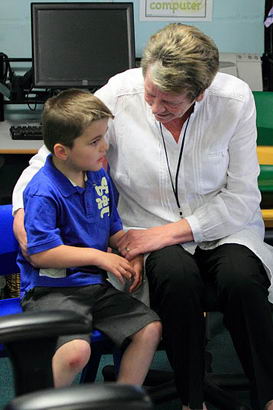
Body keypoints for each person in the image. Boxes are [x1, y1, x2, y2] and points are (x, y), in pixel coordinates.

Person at [12, 23, 273, 409]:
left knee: (242, 279)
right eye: (150, 94)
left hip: (221, 226)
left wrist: (171, 233)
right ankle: (191, 399)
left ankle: (268, 394)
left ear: (199, 94)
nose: (154, 108)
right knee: (175, 276)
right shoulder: (121, 91)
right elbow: (47, 158)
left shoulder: (233, 101)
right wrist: (21, 209)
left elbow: (241, 194)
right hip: (142, 226)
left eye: (168, 102)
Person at [16, 88, 161, 388]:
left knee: (149, 329)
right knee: (75, 352)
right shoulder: (44, 191)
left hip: (93, 288)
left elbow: (113, 230)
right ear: (61, 151)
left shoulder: (97, 175)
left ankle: (121, 401)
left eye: (104, 137)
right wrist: (101, 257)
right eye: (94, 142)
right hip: (51, 290)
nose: (104, 147)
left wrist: (128, 251)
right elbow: (41, 254)